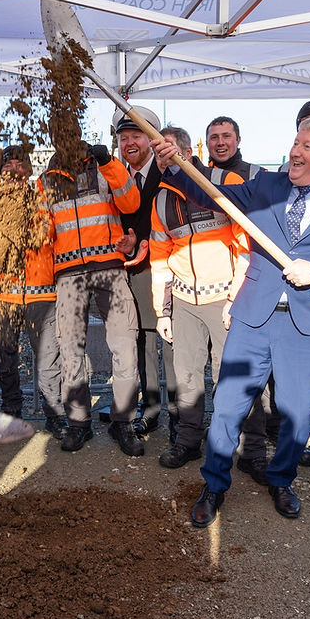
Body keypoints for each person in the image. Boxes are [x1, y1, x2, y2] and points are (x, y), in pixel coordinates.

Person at [154, 116, 310, 526]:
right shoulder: (267, 186)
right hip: (252, 319)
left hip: (305, 326)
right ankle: (214, 484)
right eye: (296, 142)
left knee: (298, 412)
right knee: (228, 406)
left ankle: (281, 479)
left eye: (307, 146)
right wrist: (175, 167)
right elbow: (211, 195)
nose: (295, 152)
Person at [39, 119, 141, 455]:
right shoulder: (46, 180)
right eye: (59, 134)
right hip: (68, 274)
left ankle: (123, 422)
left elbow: (131, 203)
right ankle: (78, 423)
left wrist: (109, 164)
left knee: (124, 346)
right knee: (70, 351)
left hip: (109, 268)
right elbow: (42, 232)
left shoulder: (105, 167)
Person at [149, 126, 245, 469]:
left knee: (228, 375)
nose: (163, 159)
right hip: (184, 302)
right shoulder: (162, 199)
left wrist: (236, 298)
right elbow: (159, 258)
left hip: (224, 299)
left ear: (188, 153)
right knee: (186, 376)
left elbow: (246, 245)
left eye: (168, 151)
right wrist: (163, 312)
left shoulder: (224, 182)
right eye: (158, 154)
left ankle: (232, 444)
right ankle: (188, 442)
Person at [204, 116, 273, 485]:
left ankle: (254, 451)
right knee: (229, 379)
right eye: (214, 137)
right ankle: (222, 450)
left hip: (251, 285)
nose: (220, 142)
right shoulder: (203, 177)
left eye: (226, 136)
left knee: (248, 377)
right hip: (219, 288)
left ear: (238, 139)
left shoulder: (258, 176)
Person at [0, 145, 66, 438]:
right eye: (8, 165)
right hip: (4, 296)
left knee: (48, 359)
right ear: (0, 172)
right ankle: (11, 411)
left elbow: (57, 237)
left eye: (20, 165)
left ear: (29, 169)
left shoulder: (44, 200)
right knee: (5, 360)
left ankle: (55, 414)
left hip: (42, 294)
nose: (14, 170)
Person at [113, 107, 179, 443]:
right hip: (137, 271)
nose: (129, 143)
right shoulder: (116, 178)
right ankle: (150, 410)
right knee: (143, 342)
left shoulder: (171, 168)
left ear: (151, 139)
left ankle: (180, 413)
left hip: (170, 269)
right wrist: (126, 244)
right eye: (123, 138)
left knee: (173, 342)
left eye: (136, 136)